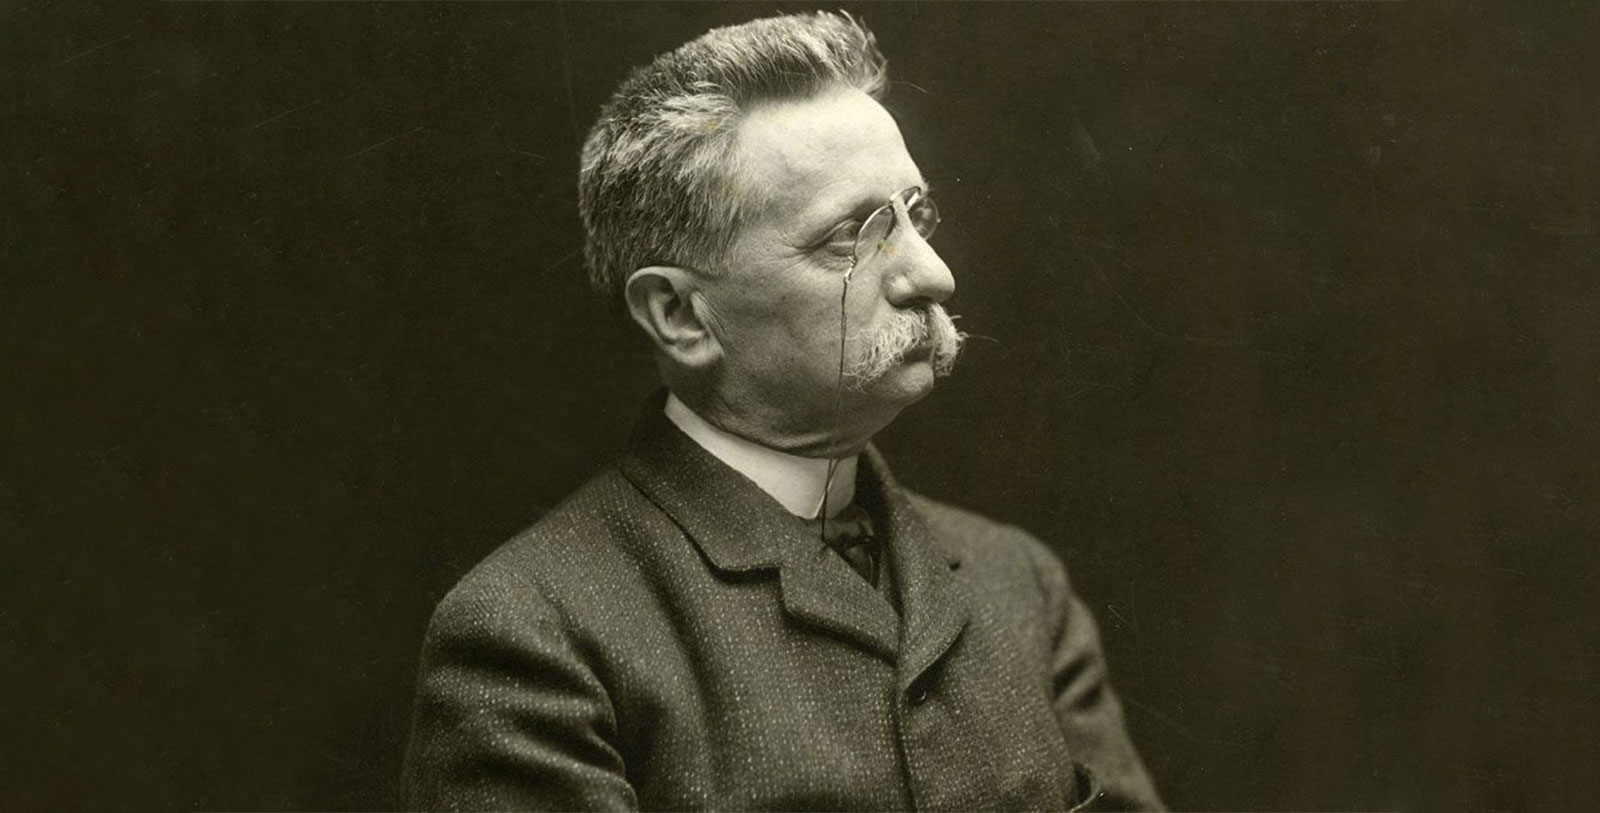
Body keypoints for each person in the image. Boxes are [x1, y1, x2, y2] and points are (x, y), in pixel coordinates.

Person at [403, 11, 1163, 811]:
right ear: (680, 315)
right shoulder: (536, 634)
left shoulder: (1020, 583)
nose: (933, 275)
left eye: (916, 214)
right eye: (851, 236)